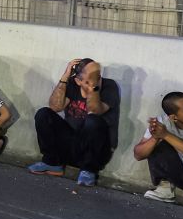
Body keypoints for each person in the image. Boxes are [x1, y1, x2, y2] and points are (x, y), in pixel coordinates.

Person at [29, 58, 121, 186]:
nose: (97, 79)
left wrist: (93, 87)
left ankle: (89, 170)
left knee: (93, 121)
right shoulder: (72, 83)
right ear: (78, 81)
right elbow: (55, 107)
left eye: (98, 76)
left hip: (97, 151)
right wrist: (65, 77)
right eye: (91, 77)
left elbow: (96, 110)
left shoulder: (109, 86)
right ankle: (52, 163)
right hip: (73, 146)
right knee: (43, 114)